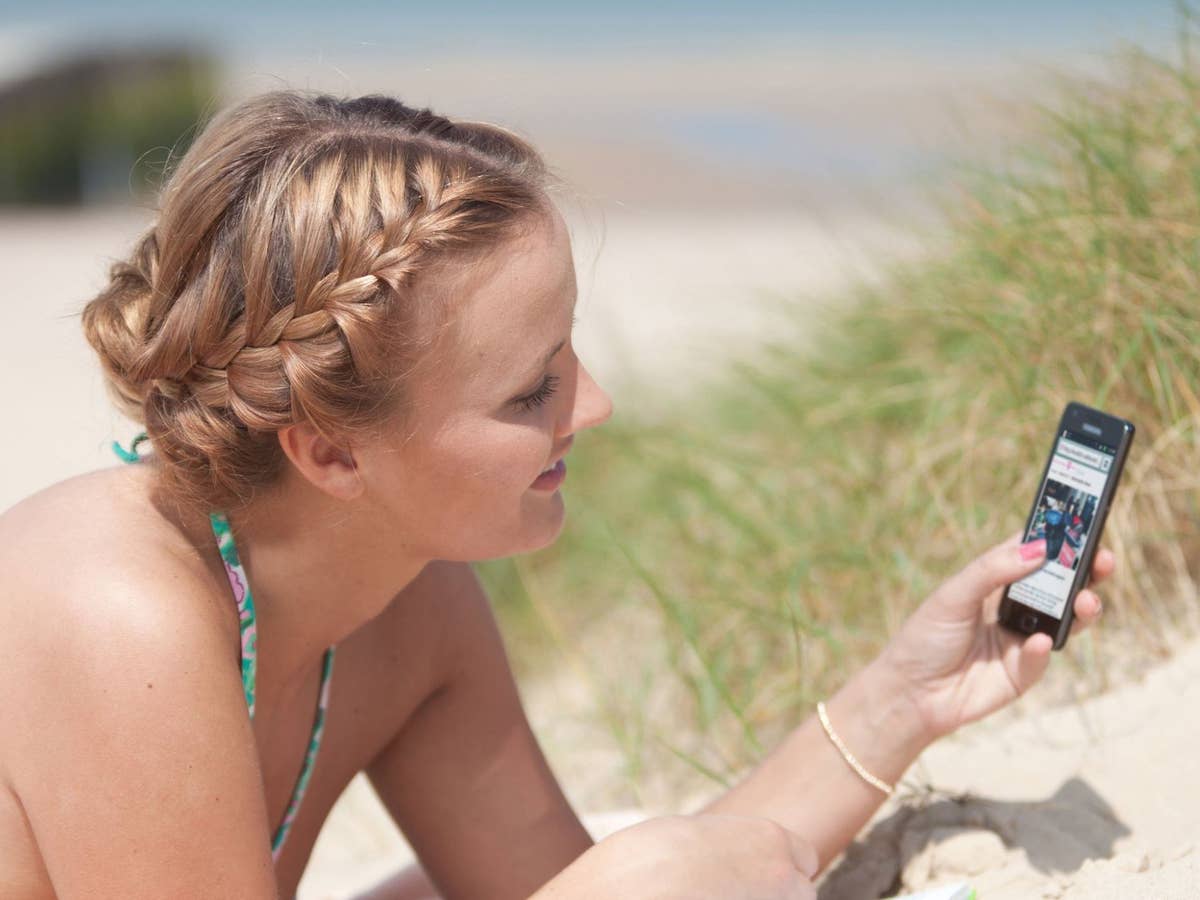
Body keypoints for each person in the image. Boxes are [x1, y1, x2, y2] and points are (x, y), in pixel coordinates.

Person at [0, 91, 1110, 900]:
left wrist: (904, 700)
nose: (596, 407)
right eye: (533, 388)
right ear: (331, 454)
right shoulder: (115, 607)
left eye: (569, 354)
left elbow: (580, 880)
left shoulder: (408, 603)